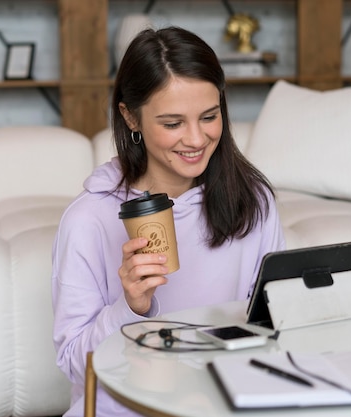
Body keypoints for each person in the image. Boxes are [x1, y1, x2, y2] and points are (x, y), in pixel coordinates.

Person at [51, 26, 286, 417]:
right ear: (131, 118)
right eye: (173, 123)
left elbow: (272, 328)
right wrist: (130, 308)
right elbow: (77, 364)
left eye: (209, 116)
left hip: (224, 403)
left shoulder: (252, 201)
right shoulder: (89, 219)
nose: (196, 139)